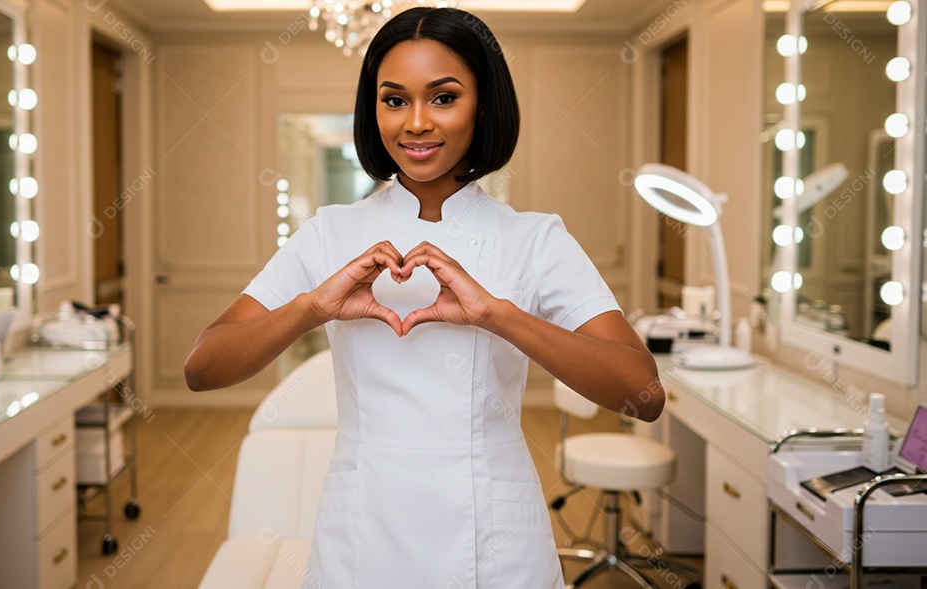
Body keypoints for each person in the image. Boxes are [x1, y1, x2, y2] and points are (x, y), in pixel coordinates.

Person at [185, 7, 664, 588]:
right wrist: (313, 307)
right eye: (394, 100)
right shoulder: (328, 232)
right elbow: (203, 368)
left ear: (482, 105)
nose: (415, 123)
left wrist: (498, 316)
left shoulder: (535, 238)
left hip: (496, 535)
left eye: (442, 98)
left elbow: (642, 393)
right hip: (362, 529)